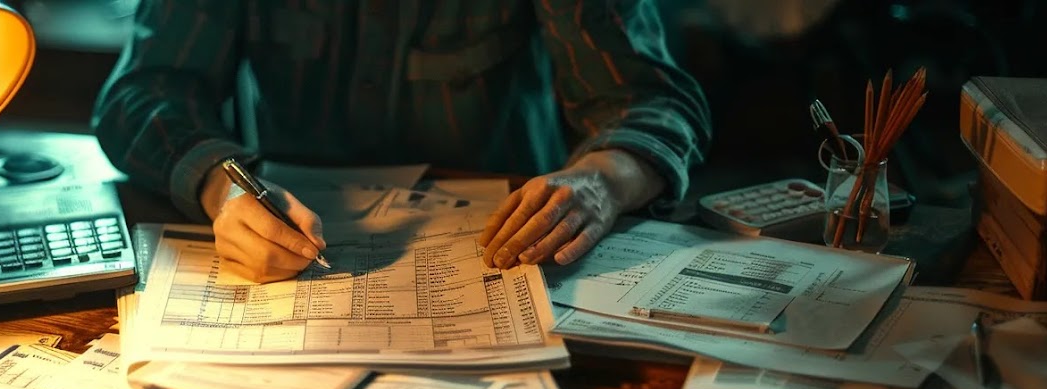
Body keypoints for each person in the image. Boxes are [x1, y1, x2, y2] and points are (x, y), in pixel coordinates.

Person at [95, 0, 710, 283]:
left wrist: (598, 183)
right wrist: (220, 186)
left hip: (514, 259)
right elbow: (142, 95)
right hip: (291, 242)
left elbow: (650, 99)